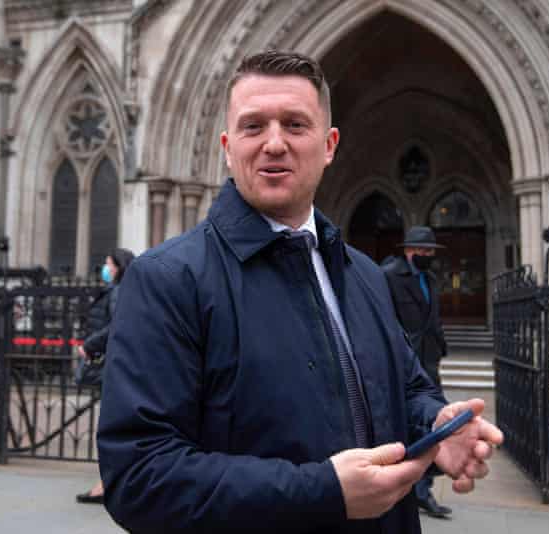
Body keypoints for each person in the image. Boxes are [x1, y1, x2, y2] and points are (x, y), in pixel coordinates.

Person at [97, 50, 503, 533]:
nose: (274, 143)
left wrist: (437, 428)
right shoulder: (167, 279)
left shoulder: (364, 275)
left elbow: (404, 388)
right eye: (253, 127)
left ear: (329, 144)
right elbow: (139, 476)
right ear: (227, 146)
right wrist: (324, 492)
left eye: (295, 124)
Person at [382, 226, 452, 518]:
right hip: (402, 361)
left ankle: (422, 489)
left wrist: (440, 345)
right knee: (404, 423)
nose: (427, 256)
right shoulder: (389, 276)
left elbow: (431, 318)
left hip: (429, 359)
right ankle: (407, 488)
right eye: (422, 251)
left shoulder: (431, 279)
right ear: (409, 250)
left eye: (430, 252)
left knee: (435, 419)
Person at [75, 247, 135, 504]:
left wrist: (90, 345)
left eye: (109, 265)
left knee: (111, 425)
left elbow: (116, 326)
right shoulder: (123, 291)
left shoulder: (119, 292)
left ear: (119, 267)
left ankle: (106, 484)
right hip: (118, 363)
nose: (105, 269)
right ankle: (111, 481)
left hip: (115, 363)